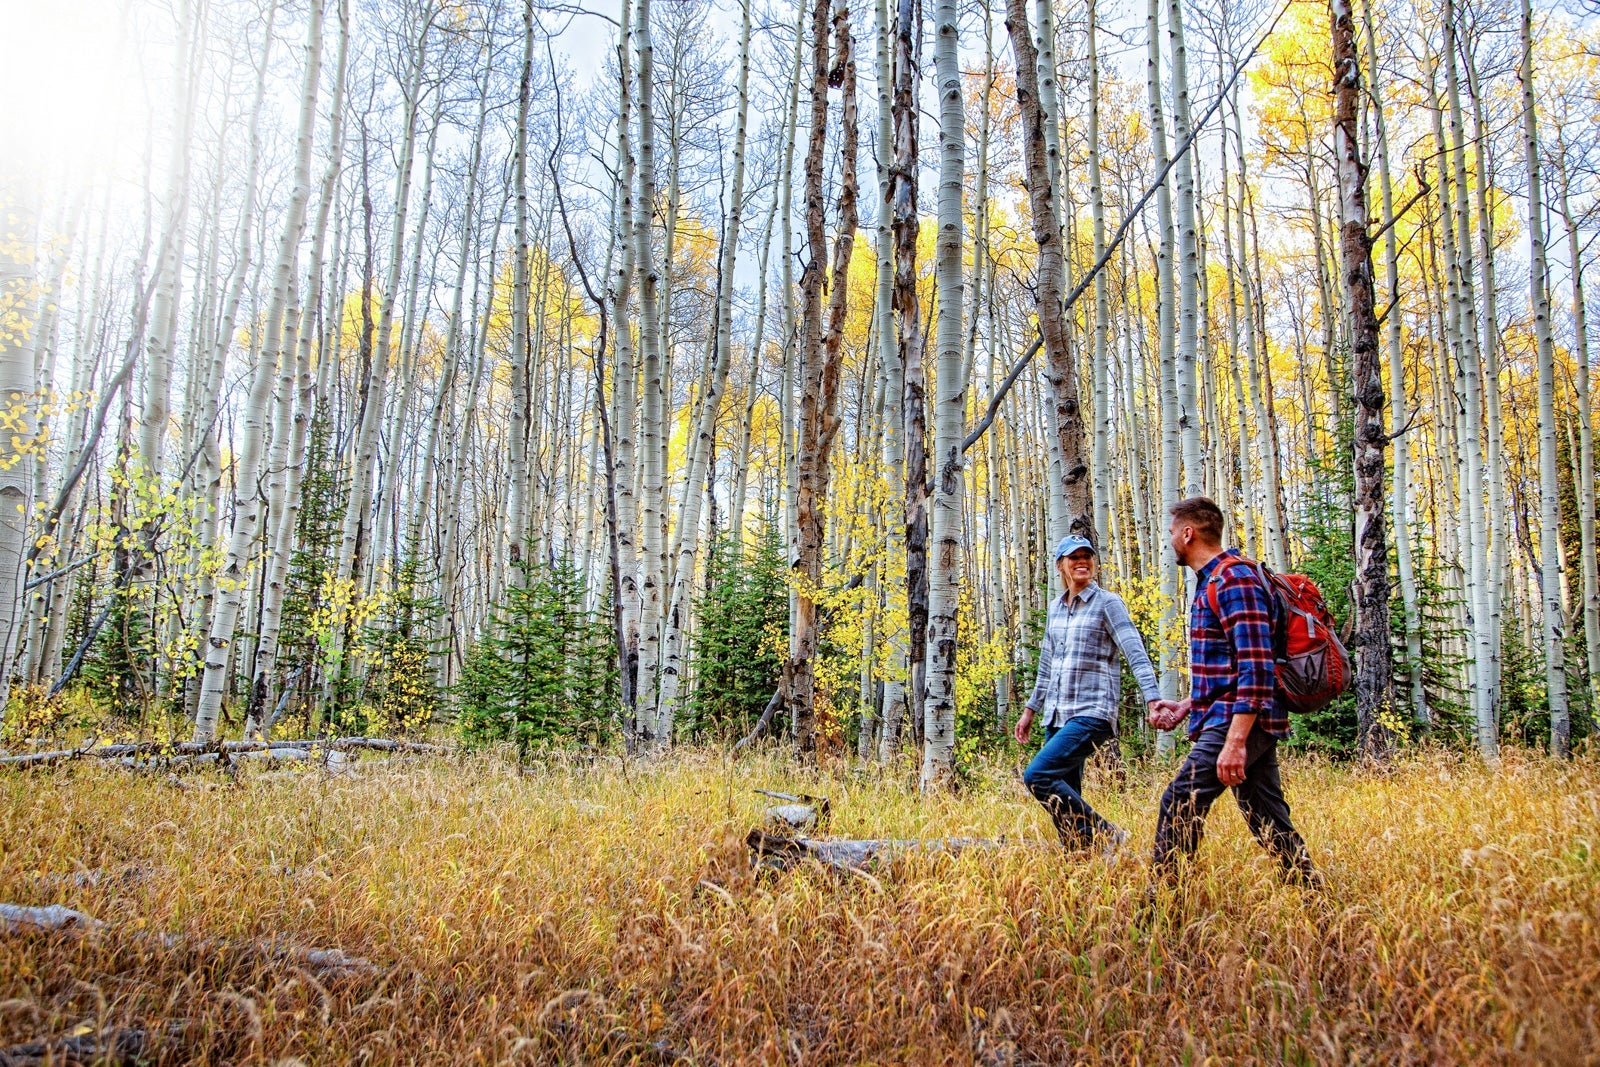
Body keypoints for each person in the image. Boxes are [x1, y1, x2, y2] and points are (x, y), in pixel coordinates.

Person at [1146, 496, 1321, 885]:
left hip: (1238, 722)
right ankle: (1320, 906)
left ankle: (1162, 910)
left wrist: (1236, 741)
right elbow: (1231, 666)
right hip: (1229, 715)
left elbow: (1256, 666)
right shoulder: (1213, 581)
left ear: (1188, 533)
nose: (1170, 540)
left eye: (1173, 533)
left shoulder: (1233, 579)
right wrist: (1189, 705)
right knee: (1268, 819)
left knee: (1180, 801)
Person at [1017, 534, 1168, 854]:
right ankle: (1082, 863)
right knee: (1063, 800)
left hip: (1093, 711)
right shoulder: (1056, 609)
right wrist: (1031, 709)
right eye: (1074, 557)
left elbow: (1135, 652)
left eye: (1087, 555)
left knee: (1038, 775)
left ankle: (1106, 833)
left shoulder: (1107, 603)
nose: (1082, 561)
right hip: (1057, 714)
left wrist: (1153, 699)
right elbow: (1047, 664)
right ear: (1061, 565)